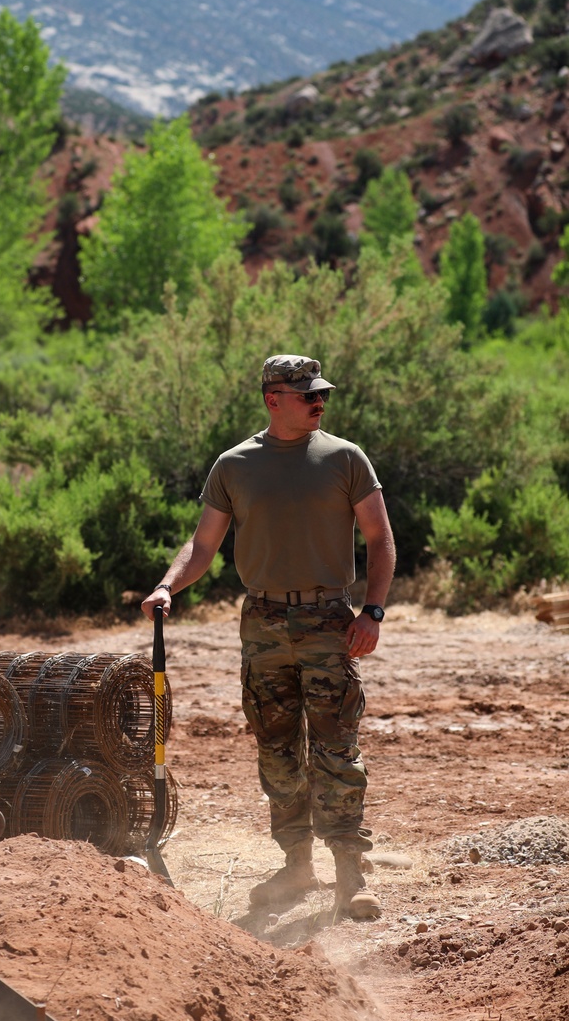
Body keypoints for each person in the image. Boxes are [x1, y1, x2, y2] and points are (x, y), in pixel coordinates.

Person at [142, 353, 395, 920]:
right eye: (307, 394)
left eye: (321, 393)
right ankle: (296, 863)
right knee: (276, 750)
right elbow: (203, 545)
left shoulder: (345, 458)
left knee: (335, 746)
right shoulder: (235, 466)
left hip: (331, 620)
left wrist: (372, 611)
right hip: (262, 624)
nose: (318, 401)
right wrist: (167, 586)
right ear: (272, 399)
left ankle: (350, 872)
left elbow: (380, 539)